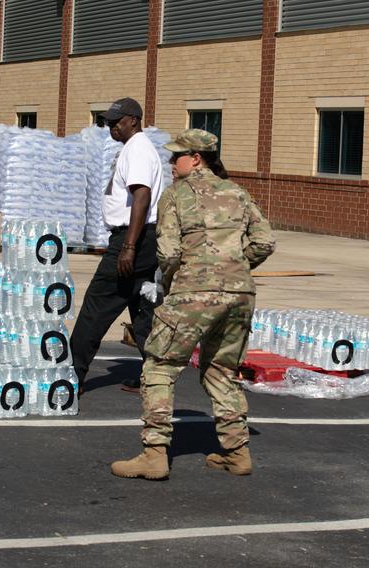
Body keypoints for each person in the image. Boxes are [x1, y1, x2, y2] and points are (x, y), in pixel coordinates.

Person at [110, 129, 276, 480]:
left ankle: (154, 453)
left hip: (192, 294)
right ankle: (237, 452)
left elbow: (168, 252)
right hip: (239, 296)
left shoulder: (175, 195)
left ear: (196, 158)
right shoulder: (238, 192)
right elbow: (264, 242)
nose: (171, 163)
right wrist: (233, 268)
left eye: (176, 157)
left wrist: (175, 282)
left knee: (159, 366)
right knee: (221, 371)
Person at [70, 97, 165, 394]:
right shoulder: (133, 149)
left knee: (97, 306)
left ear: (133, 120)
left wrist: (128, 247)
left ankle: (71, 376)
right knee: (142, 312)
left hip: (132, 239)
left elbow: (142, 197)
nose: (112, 126)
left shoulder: (137, 149)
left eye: (117, 121)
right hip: (141, 239)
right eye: (109, 122)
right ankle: (157, 379)